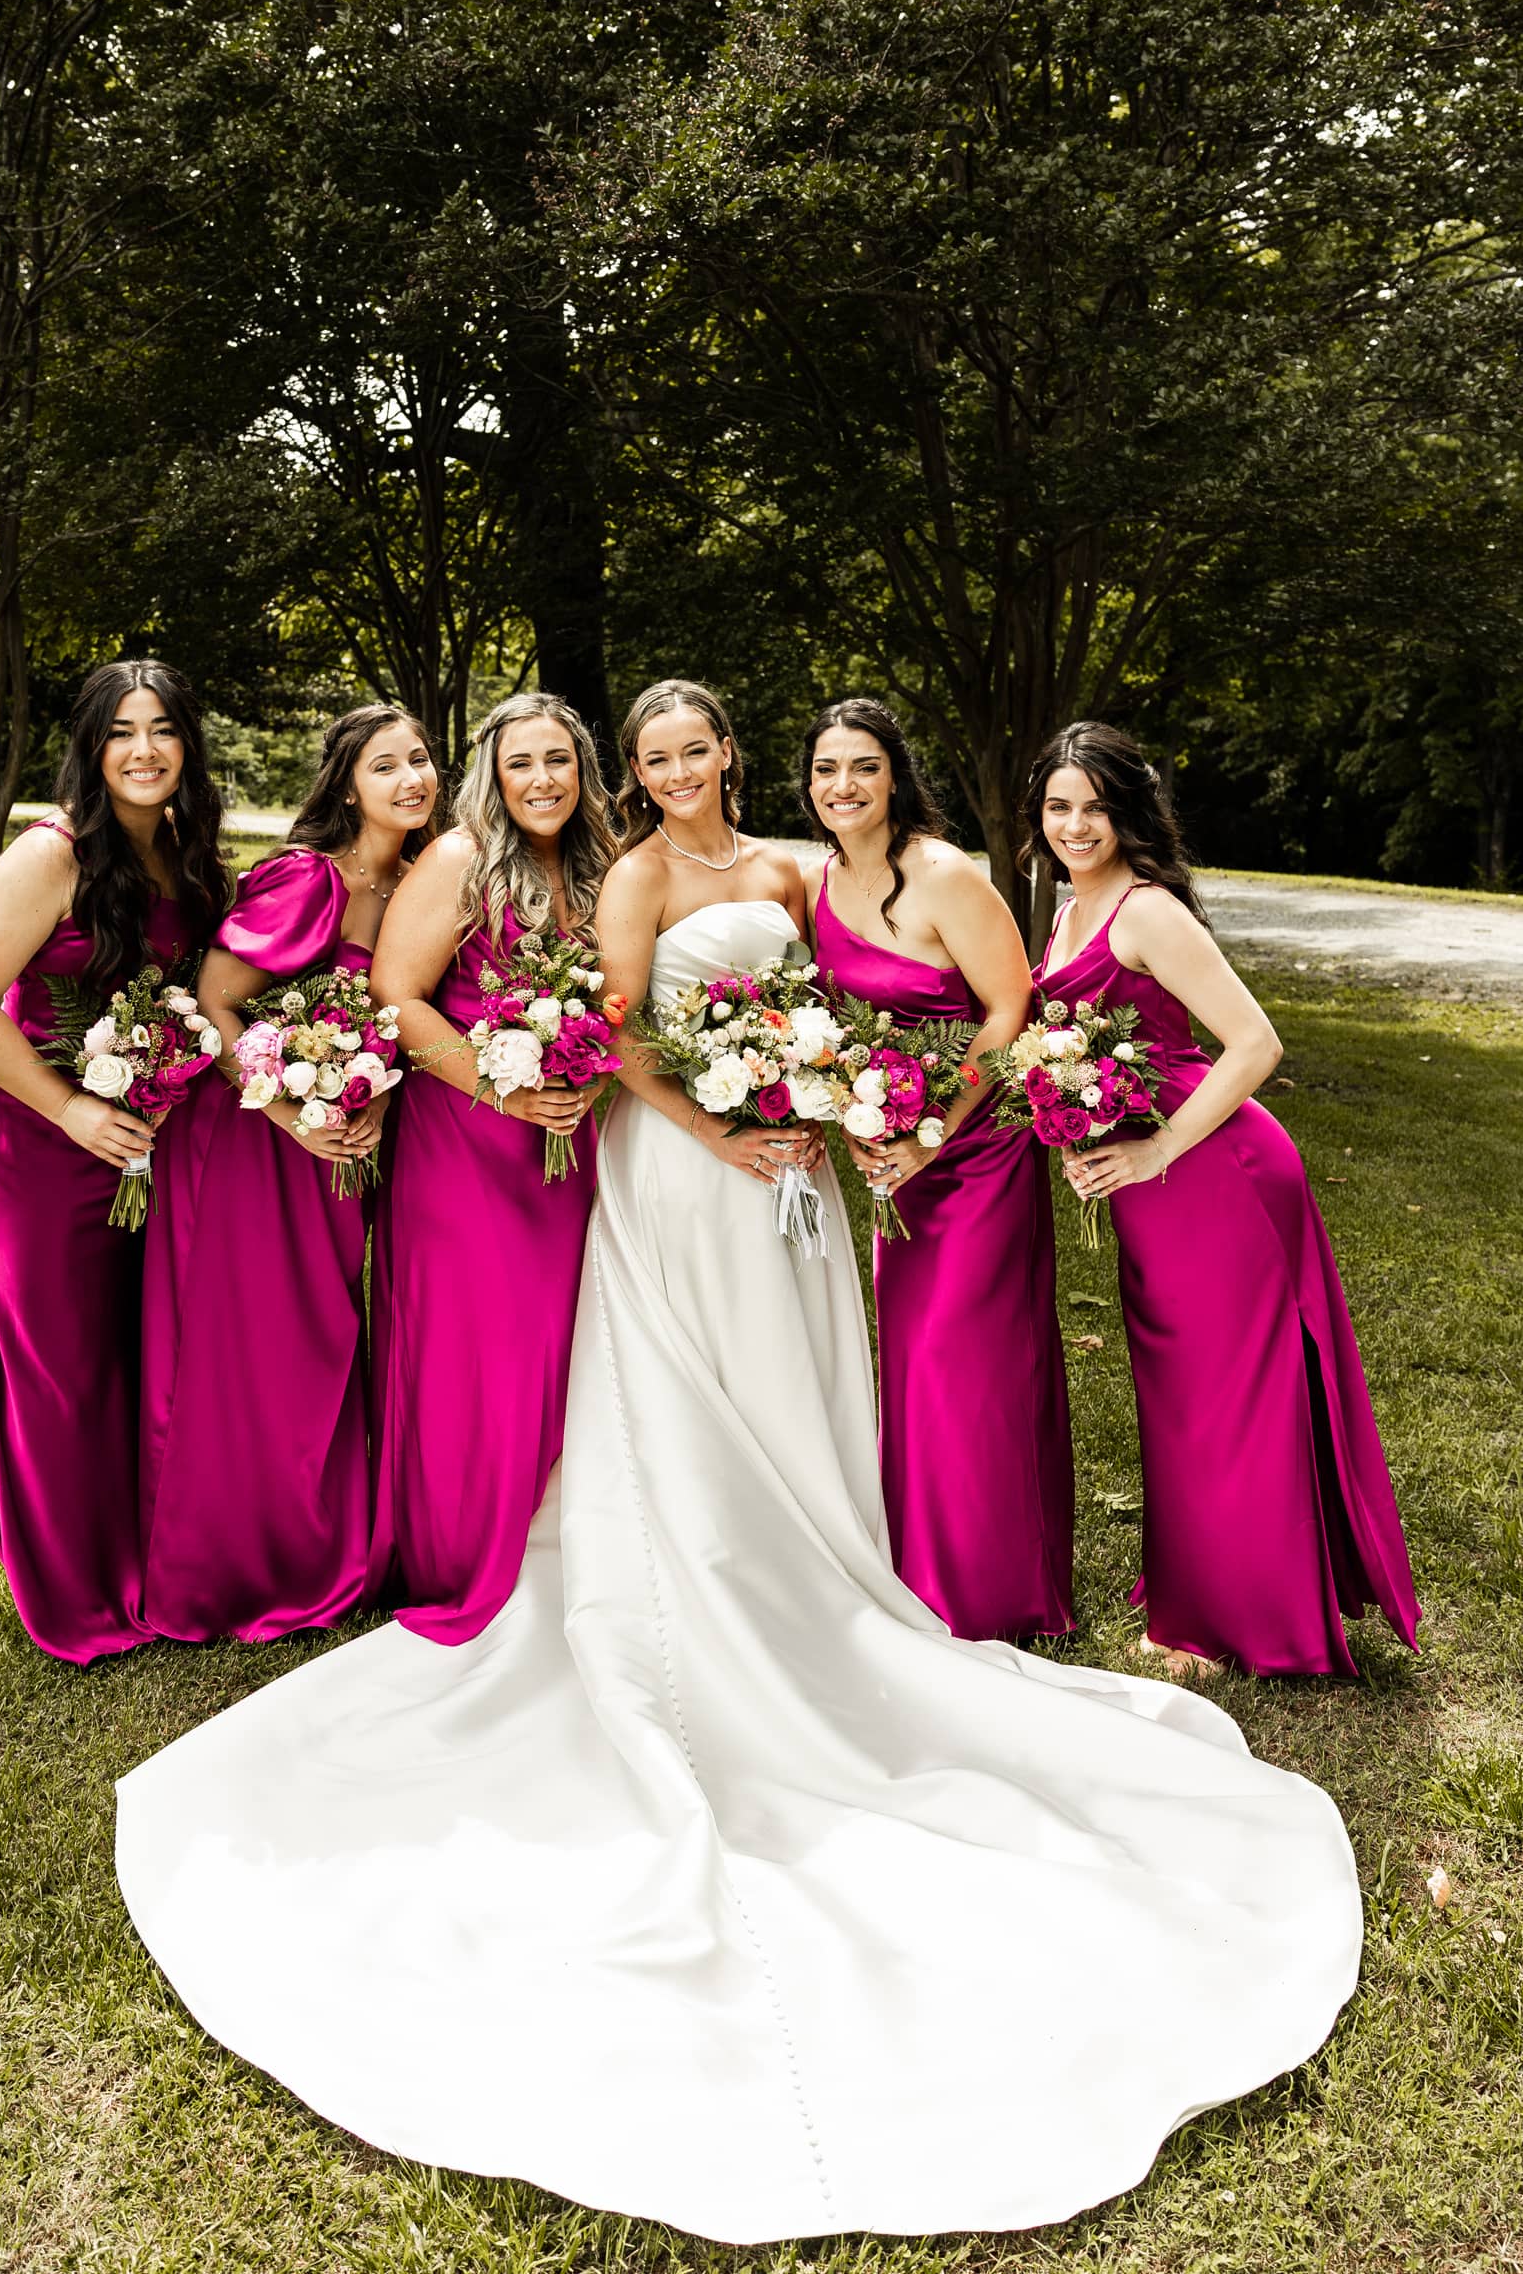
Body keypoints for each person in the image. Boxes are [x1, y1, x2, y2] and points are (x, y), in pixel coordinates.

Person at [116, 680, 1366, 2246]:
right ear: (629, 774)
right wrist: (717, 1128)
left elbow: (869, 1000)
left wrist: (834, 1098)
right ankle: (693, 1574)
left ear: (724, 754)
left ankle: (819, 1559)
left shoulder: (788, 868)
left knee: (794, 1382)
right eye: (646, 756)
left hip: (796, 1179)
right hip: (678, 1166)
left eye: (687, 748)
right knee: (668, 1392)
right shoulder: (629, 876)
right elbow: (616, 1034)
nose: (670, 771)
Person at [1027, 721, 1420, 1677]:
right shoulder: (1069, 908)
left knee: (1224, 1393)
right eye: (1058, 807)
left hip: (1215, 1173)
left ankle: (1234, 1619)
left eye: (1095, 808)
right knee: (1180, 1391)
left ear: (1129, 813)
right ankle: (1205, 1591)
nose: (1076, 826)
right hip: (1153, 1183)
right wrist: (1085, 1138)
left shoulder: (1147, 910)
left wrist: (1156, 1145)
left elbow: (1255, 1043)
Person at [0, 661, 228, 1663]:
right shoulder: (49, 855)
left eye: (163, 729)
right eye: (121, 731)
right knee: (57, 1357)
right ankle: (72, 1585)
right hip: (34, 1134)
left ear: (187, 745)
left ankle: (134, 1551)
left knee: (126, 1347)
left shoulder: (187, 855)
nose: (144, 750)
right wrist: (68, 1109)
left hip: (138, 1132)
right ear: (91, 748)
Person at [136, 705, 439, 1642]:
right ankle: (231, 1564)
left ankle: (320, 1540)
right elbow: (215, 1001)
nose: (409, 779)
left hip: (338, 1142)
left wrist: (370, 1097)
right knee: (256, 1340)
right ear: (346, 784)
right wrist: (287, 1112)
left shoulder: (420, 882)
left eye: (419, 759)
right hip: (249, 1140)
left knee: (325, 1330)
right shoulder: (307, 877)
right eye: (384, 765)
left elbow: (399, 1021)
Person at [803, 696, 1073, 1640]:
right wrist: (856, 1114)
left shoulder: (942, 873)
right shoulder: (818, 883)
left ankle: (992, 1591)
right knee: (913, 1363)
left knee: (970, 1363)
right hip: (897, 1159)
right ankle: (919, 1569)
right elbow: (833, 1026)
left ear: (895, 778)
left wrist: (936, 1126)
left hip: (979, 1150)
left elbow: (1009, 1009)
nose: (843, 785)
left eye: (863, 767)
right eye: (826, 769)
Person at [364, 690, 615, 1642]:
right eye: (521, 763)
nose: (541, 780)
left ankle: (551, 1540)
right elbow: (397, 995)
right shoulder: (461, 859)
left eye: (558, 760)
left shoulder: (602, 867)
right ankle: (460, 1552)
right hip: (465, 1143)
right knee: (476, 1349)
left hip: (566, 1144)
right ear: (491, 775)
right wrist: (504, 1094)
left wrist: (589, 1075)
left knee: (555, 1343)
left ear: (582, 769)